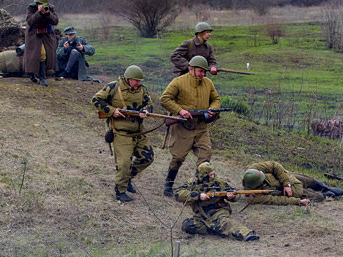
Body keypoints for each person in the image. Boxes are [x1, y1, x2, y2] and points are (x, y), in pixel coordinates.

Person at [159, 55, 222, 196]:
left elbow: (216, 99)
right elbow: (164, 99)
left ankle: (199, 186)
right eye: (200, 71)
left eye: (204, 71)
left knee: (205, 157)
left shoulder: (208, 83)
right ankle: (168, 184)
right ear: (191, 69)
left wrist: (213, 107)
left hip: (201, 127)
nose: (203, 74)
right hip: (182, 127)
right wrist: (180, 110)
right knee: (178, 158)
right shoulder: (178, 82)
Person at [92, 65, 156, 202]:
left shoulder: (142, 90)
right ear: (128, 79)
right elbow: (96, 100)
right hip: (121, 133)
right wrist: (112, 111)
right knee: (124, 163)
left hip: (139, 131)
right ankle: (120, 191)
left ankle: (127, 179)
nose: (138, 83)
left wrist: (145, 111)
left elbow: (149, 104)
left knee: (148, 158)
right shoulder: (113, 87)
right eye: (136, 81)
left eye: (139, 81)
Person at [174, 162, 258, 242]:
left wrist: (231, 196)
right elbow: (178, 194)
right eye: (210, 175)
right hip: (201, 215)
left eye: (213, 174)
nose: (213, 176)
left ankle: (247, 234)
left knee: (226, 223)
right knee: (187, 226)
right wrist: (198, 195)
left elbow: (235, 194)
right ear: (203, 175)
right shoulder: (193, 183)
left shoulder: (219, 182)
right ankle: (216, 229)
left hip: (219, 212)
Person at [242, 162, 343, 205]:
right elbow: (276, 200)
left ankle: (326, 187)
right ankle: (326, 195)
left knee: (309, 180)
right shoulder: (253, 196)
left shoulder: (254, 168)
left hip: (287, 178)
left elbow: (275, 166)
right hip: (287, 193)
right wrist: (297, 202)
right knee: (317, 196)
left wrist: (286, 184)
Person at [24, 0, 59, 86]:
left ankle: (38, 74)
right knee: (39, 54)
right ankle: (41, 77)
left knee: (48, 54)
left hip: (46, 34)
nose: (42, 6)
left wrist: (48, 14)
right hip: (34, 34)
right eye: (40, 4)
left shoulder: (50, 8)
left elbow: (55, 21)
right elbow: (30, 21)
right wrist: (39, 12)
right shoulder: (31, 8)